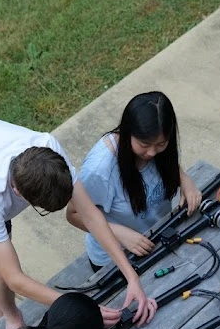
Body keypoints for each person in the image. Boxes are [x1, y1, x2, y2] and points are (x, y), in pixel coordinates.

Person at [0, 115, 157, 329]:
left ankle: (0, 322)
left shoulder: (48, 149)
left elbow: (91, 215)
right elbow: (15, 278)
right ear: (18, 192)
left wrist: (132, 276)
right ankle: (11, 320)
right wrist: (80, 306)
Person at [66, 92, 203, 270]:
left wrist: (185, 180)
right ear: (127, 131)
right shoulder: (99, 170)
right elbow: (73, 214)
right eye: (144, 145)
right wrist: (120, 234)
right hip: (115, 259)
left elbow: (168, 161)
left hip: (157, 237)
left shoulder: (158, 144)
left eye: (161, 144)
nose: (152, 153)